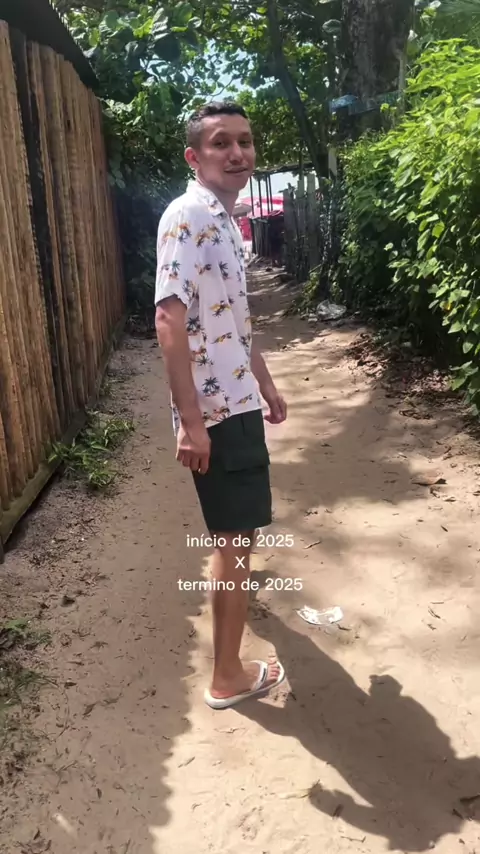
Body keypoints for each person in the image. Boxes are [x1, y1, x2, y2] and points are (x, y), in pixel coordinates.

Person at [154, 101, 287, 710]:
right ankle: (227, 677)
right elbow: (169, 319)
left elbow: (232, 319)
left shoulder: (224, 220)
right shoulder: (188, 216)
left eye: (245, 141)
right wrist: (191, 422)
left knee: (235, 536)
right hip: (217, 411)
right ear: (194, 156)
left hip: (236, 400)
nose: (237, 153)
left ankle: (232, 645)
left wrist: (266, 383)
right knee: (234, 540)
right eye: (220, 143)